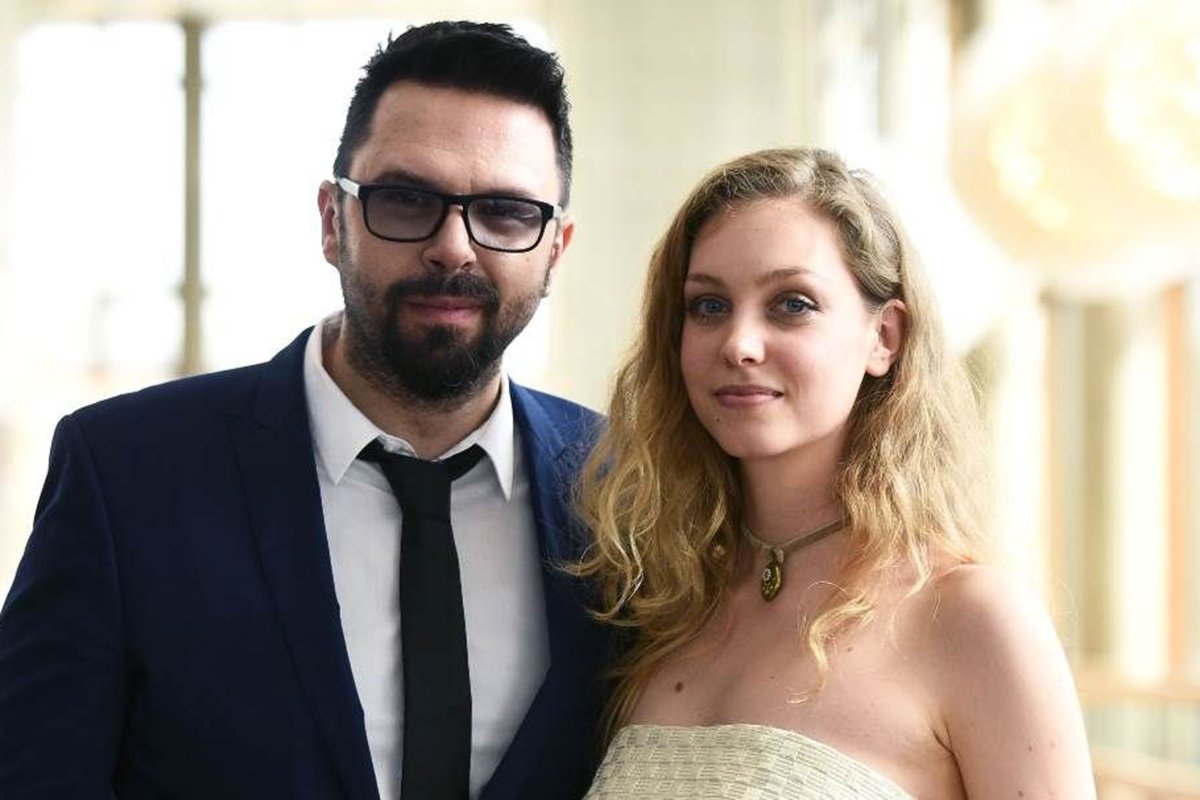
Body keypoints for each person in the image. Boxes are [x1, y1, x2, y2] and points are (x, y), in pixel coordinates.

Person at [0, 21, 608, 800]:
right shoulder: (124, 473)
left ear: (555, 249)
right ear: (332, 220)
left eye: (507, 212)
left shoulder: (622, 486)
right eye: (405, 199)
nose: (454, 246)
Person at [572, 147, 1095, 798]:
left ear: (885, 337)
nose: (739, 343)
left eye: (791, 303)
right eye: (708, 306)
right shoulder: (665, 607)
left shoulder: (972, 619)